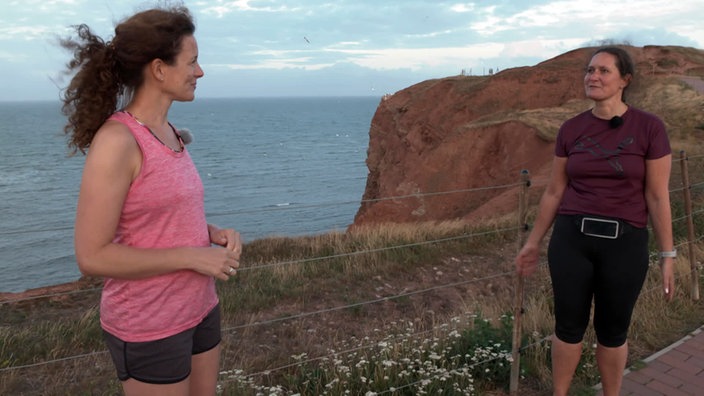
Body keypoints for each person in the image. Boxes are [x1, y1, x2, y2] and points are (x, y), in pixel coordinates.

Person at [60, 5, 241, 395]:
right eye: (192, 62)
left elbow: (156, 217)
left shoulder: (168, 131)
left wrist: (211, 234)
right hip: (149, 324)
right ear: (159, 70)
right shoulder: (117, 142)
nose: (200, 72)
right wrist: (193, 257)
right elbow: (92, 256)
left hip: (199, 308)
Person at [515, 46, 675, 396]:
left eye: (603, 71)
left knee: (613, 331)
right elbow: (555, 192)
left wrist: (667, 255)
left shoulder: (649, 128)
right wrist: (533, 243)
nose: (593, 76)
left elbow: (657, 196)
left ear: (624, 80)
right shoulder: (572, 129)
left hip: (625, 243)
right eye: (589, 70)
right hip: (572, 240)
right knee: (567, 327)